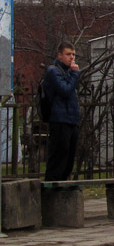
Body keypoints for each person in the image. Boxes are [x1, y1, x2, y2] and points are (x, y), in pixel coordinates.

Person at [43, 42, 81, 181]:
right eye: (68, 54)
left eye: (73, 54)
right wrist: (75, 75)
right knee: (59, 154)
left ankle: (64, 181)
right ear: (60, 55)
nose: (71, 57)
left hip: (71, 119)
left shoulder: (68, 72)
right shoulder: (54, 71)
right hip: (59, 118)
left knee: (69, 156)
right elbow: (65, 90)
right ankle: (53, 184)